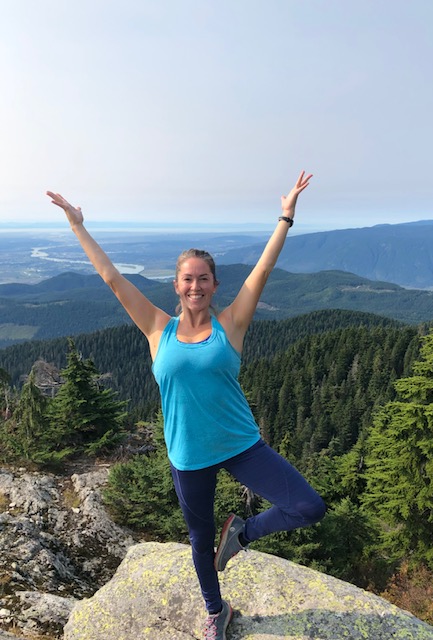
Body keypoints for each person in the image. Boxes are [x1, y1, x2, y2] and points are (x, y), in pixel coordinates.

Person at [46, 171, 326, 640]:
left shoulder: (231, 325)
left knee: (308, 506)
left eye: (203, 279)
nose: (195, 286)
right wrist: (77, 225)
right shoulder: (157, 328)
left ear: (214, 285)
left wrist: (285, 217)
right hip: (189, 455)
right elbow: (113, 279)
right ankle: (216, 611)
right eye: (187, 279)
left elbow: (262, 270)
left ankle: (243, 533)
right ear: (176, 285)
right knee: (198, 541)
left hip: (241, 444)